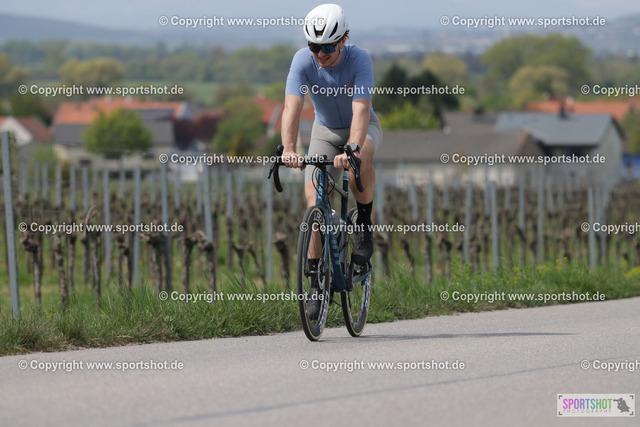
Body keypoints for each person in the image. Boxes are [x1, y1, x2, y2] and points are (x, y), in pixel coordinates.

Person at [281, 3, 382, 318]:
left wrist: (352, 148)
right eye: (315, 47)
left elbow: (361, 109)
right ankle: (315, 281)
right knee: (315, 199)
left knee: (360, 161)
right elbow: (292, 107)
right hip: (324, 131)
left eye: (328, 47)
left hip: (361, 128)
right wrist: (288, 148)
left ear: (344, 40)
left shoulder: (359, 59)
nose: (320, 54)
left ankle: (363, 223)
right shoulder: (302, 60)